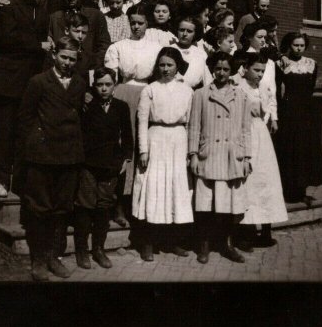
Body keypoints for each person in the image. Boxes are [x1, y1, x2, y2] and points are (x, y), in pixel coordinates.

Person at [16, 36, 86, 281]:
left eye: (72, 59)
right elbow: (25, 119)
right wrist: (35, 146)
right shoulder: (39, 82)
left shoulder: (79, 82)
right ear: (54, 55)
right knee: (39, 209)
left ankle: (53, 257)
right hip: (43, 157)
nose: (67, 63)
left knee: (61, 209)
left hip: (69, 157)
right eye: (64, 57)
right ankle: (38, 260)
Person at [189, 51, 252, 264]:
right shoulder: (200, 94)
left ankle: (226, 245)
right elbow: (194, 127)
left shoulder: (241, 95)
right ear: (211, 69)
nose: (221, 73)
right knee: (205, 204)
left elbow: (246, 129)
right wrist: (193, 155)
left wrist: (247, 156)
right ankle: (204, 245)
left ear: (231, 70)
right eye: (217, 69)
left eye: (226, 69)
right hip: (209, 155)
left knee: (227, 205)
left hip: (231, 156)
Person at [0, 0, 51, 197]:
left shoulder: (41, 12)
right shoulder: (8, 8)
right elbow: (7, 40)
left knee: (25, 132)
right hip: (9, 81)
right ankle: (2, 179)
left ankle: (20, 182)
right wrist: (38, 45)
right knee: (6, 132)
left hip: (31, 81)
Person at [132, 47, 194, 261]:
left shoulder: (187, 91)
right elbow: (141, 121)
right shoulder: (150, 89)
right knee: (154, 190)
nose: (165, 69)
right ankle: (147, 243)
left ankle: (173, 241)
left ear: (177, 66)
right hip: (155, 139)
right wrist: (143, 150)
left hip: (179, 140)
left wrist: (190, 152)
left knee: (176, 191)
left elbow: (192, 122)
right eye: (162, 65)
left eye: (170, 65)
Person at [104, 3, 162, 215]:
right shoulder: (118, 46)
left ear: (147, 24)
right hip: (124, 94)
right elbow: (110, 76)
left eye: (140, 23)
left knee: (143, 145)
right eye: (133, 23)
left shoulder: (155, 48)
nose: (136, 27)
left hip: (147, 93)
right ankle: (118, 203)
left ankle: (138, 204)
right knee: (125, 145)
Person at [73, 67, 133, 270]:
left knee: (103, 207)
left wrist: (125, 158)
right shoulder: (87, 108)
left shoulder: (121, 107)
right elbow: (79, 135)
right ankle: (81, 250)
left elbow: (127, 137)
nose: (104, 88)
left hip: (111, 165)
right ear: (94, 86)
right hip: (89, 164)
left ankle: (98, 248)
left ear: (114, 86)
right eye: (100, 85)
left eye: (108, 84)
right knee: (85, 205)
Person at [236, 52, 287, 249]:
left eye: (262, 71)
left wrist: (272, 118)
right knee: (248, 182)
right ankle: (245, 232)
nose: (259, 74)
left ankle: (266, 230)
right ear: (246, 69)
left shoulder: (263, 87)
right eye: (256, 70)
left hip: (261, 134)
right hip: (243, 133)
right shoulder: (238, 87)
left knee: (266, 180)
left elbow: (271, 102)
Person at [275, 32, 322, 204]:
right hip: (289, 113)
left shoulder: (312, 64)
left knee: (304, 150)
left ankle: (302, 190)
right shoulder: (282, 64)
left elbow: (311, 87)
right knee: (290, 150)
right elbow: (277, 89)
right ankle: (289, 191)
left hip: (306, 113)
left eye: (301, 45)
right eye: (295, 45)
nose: (298, 48)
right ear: (289, 45)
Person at [49, 0, 111, 68]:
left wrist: (93, 65)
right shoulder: (54, 18)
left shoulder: (96, 15)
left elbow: (104, 45)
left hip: (89, 69)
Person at [240, 21, 278, 133]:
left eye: (265, 37)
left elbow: (272, 91)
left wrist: (274, 118)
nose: (263, 40)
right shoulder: (243, 58)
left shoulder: (270, 63)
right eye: (259, 37)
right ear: (250, 38)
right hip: (246, 114)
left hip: (264, 114)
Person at [173, 16, 212, 89]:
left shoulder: (201, 53)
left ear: (195, 33)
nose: (184, 34)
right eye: (182, 30)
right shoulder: (169, 49)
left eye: (189, 31)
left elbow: (207, 80)